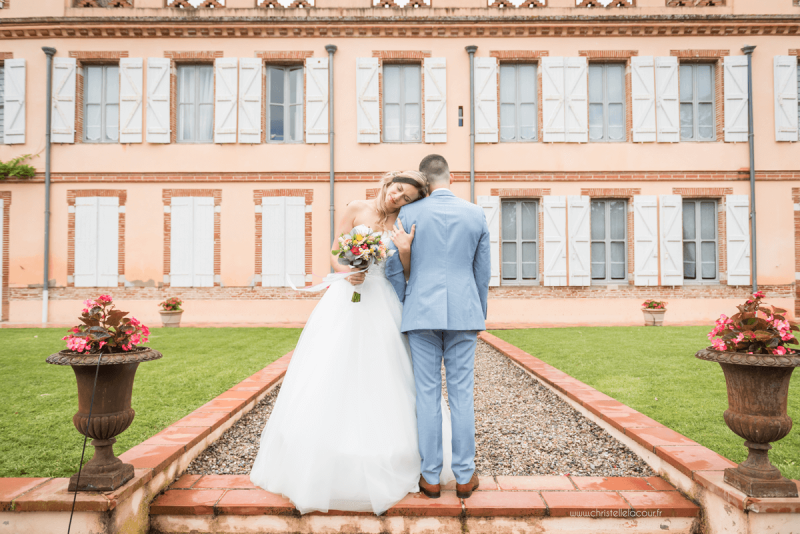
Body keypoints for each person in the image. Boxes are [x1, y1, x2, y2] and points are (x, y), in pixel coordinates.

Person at [249, 170, 455, 515]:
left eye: (406, 198)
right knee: (331, 365)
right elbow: (333, 251)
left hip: (383, 300)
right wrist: (348, 271)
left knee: (385, 371)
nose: (398, 199)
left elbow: (407, 270)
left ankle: (394, 450)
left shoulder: (404, 222)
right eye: (398, 190)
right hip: (347, 296)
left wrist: (402, 250)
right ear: (388, 183)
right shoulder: (356, 208)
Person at [385, 154, 491, 500]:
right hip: (464, 312)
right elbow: (482, 271)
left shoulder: (410, 213)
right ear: (452, 177)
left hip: (421, 313)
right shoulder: (476, 214)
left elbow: (391, 267)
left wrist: (406, 302)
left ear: (425, 184)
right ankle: (464, 477)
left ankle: (429, 477)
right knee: (462, 396)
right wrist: (479, 313)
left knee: (427, 396)